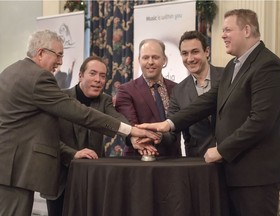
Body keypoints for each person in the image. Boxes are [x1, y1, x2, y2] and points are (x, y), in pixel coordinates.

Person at [138, 9, 280, 216]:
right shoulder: (233, 66)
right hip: (234, 173)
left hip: (256, 175)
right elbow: (206, 102)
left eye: (227, 30)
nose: (222, 35)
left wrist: (221, 150)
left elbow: (260, 122)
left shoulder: (268, 65)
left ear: (246, 30)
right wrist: (168, 124)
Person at [0, 29, 160, 216]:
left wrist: (130, 134)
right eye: (58, 55)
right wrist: (131, 131)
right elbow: (81, 113)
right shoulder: (39, 78)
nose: (60, 62)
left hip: (9, 166)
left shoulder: (10, 71)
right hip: (15, 170)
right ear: (41, 52)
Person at [46, 56, 129, 216]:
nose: (98, 80)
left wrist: (134, 135)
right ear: (80, 75)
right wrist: (73, 154)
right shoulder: (60, 98)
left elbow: (119, 122)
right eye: (93, 73)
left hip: (93, 181)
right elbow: (48, 138)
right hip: (61, 180)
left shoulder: (105, 101)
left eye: (103, 76)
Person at [116, 38, 181, 156]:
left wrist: (163, 137)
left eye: (155, 57)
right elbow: (131, 127)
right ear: (139, 60)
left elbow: (179, 124)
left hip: (173, 159)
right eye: (145, 57)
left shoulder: (177, 89)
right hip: (139, 158)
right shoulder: (126, 90)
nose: (150, 62)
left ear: (164, 60)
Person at [168, 31, 223, 157]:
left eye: (195, 52)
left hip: (233, 158)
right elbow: (172, 129)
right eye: (184, 54)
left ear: (207, 52)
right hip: (198, 161)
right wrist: (154, 137)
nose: (190, 59)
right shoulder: (178, 91)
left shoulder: (228, 77)